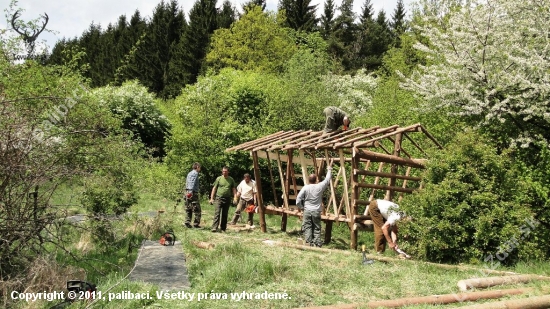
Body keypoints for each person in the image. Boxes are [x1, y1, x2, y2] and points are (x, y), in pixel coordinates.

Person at [296, 159, 333, 247]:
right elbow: (327, 180)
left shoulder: (305, 188)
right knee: (317, 227)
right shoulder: (319, 187)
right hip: (316, 210)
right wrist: (329, 170)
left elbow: (298, 199)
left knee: (307, 226)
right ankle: (317, 243)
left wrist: (301, 207)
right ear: (316, 180)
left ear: (309, 180)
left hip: (307, 210)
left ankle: (308, 243)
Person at [209, 166, 237, 232]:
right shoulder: (219, 178)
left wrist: (235, 198)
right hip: (219, 198)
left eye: (225, 171)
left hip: (227, 199)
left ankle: (223, 228)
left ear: (228, 172)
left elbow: (234, 189)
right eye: (223, 171)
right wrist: (211, 198)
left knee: (225, 214)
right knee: (217, 213)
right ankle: (214, 227)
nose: (224, 172)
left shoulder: (231, 179)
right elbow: (214, 188)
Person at [184, 162, 202, 228]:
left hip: (188, 192)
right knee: (197, 209)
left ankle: (187, 222)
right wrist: (190, 192)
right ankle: (196, 224)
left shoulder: (190, 173)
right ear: (197, 167)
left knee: (188, 208)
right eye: (199, 167)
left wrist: (188, 192)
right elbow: (192, 182)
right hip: (192, 193)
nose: (200, 169)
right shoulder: (195, 173)